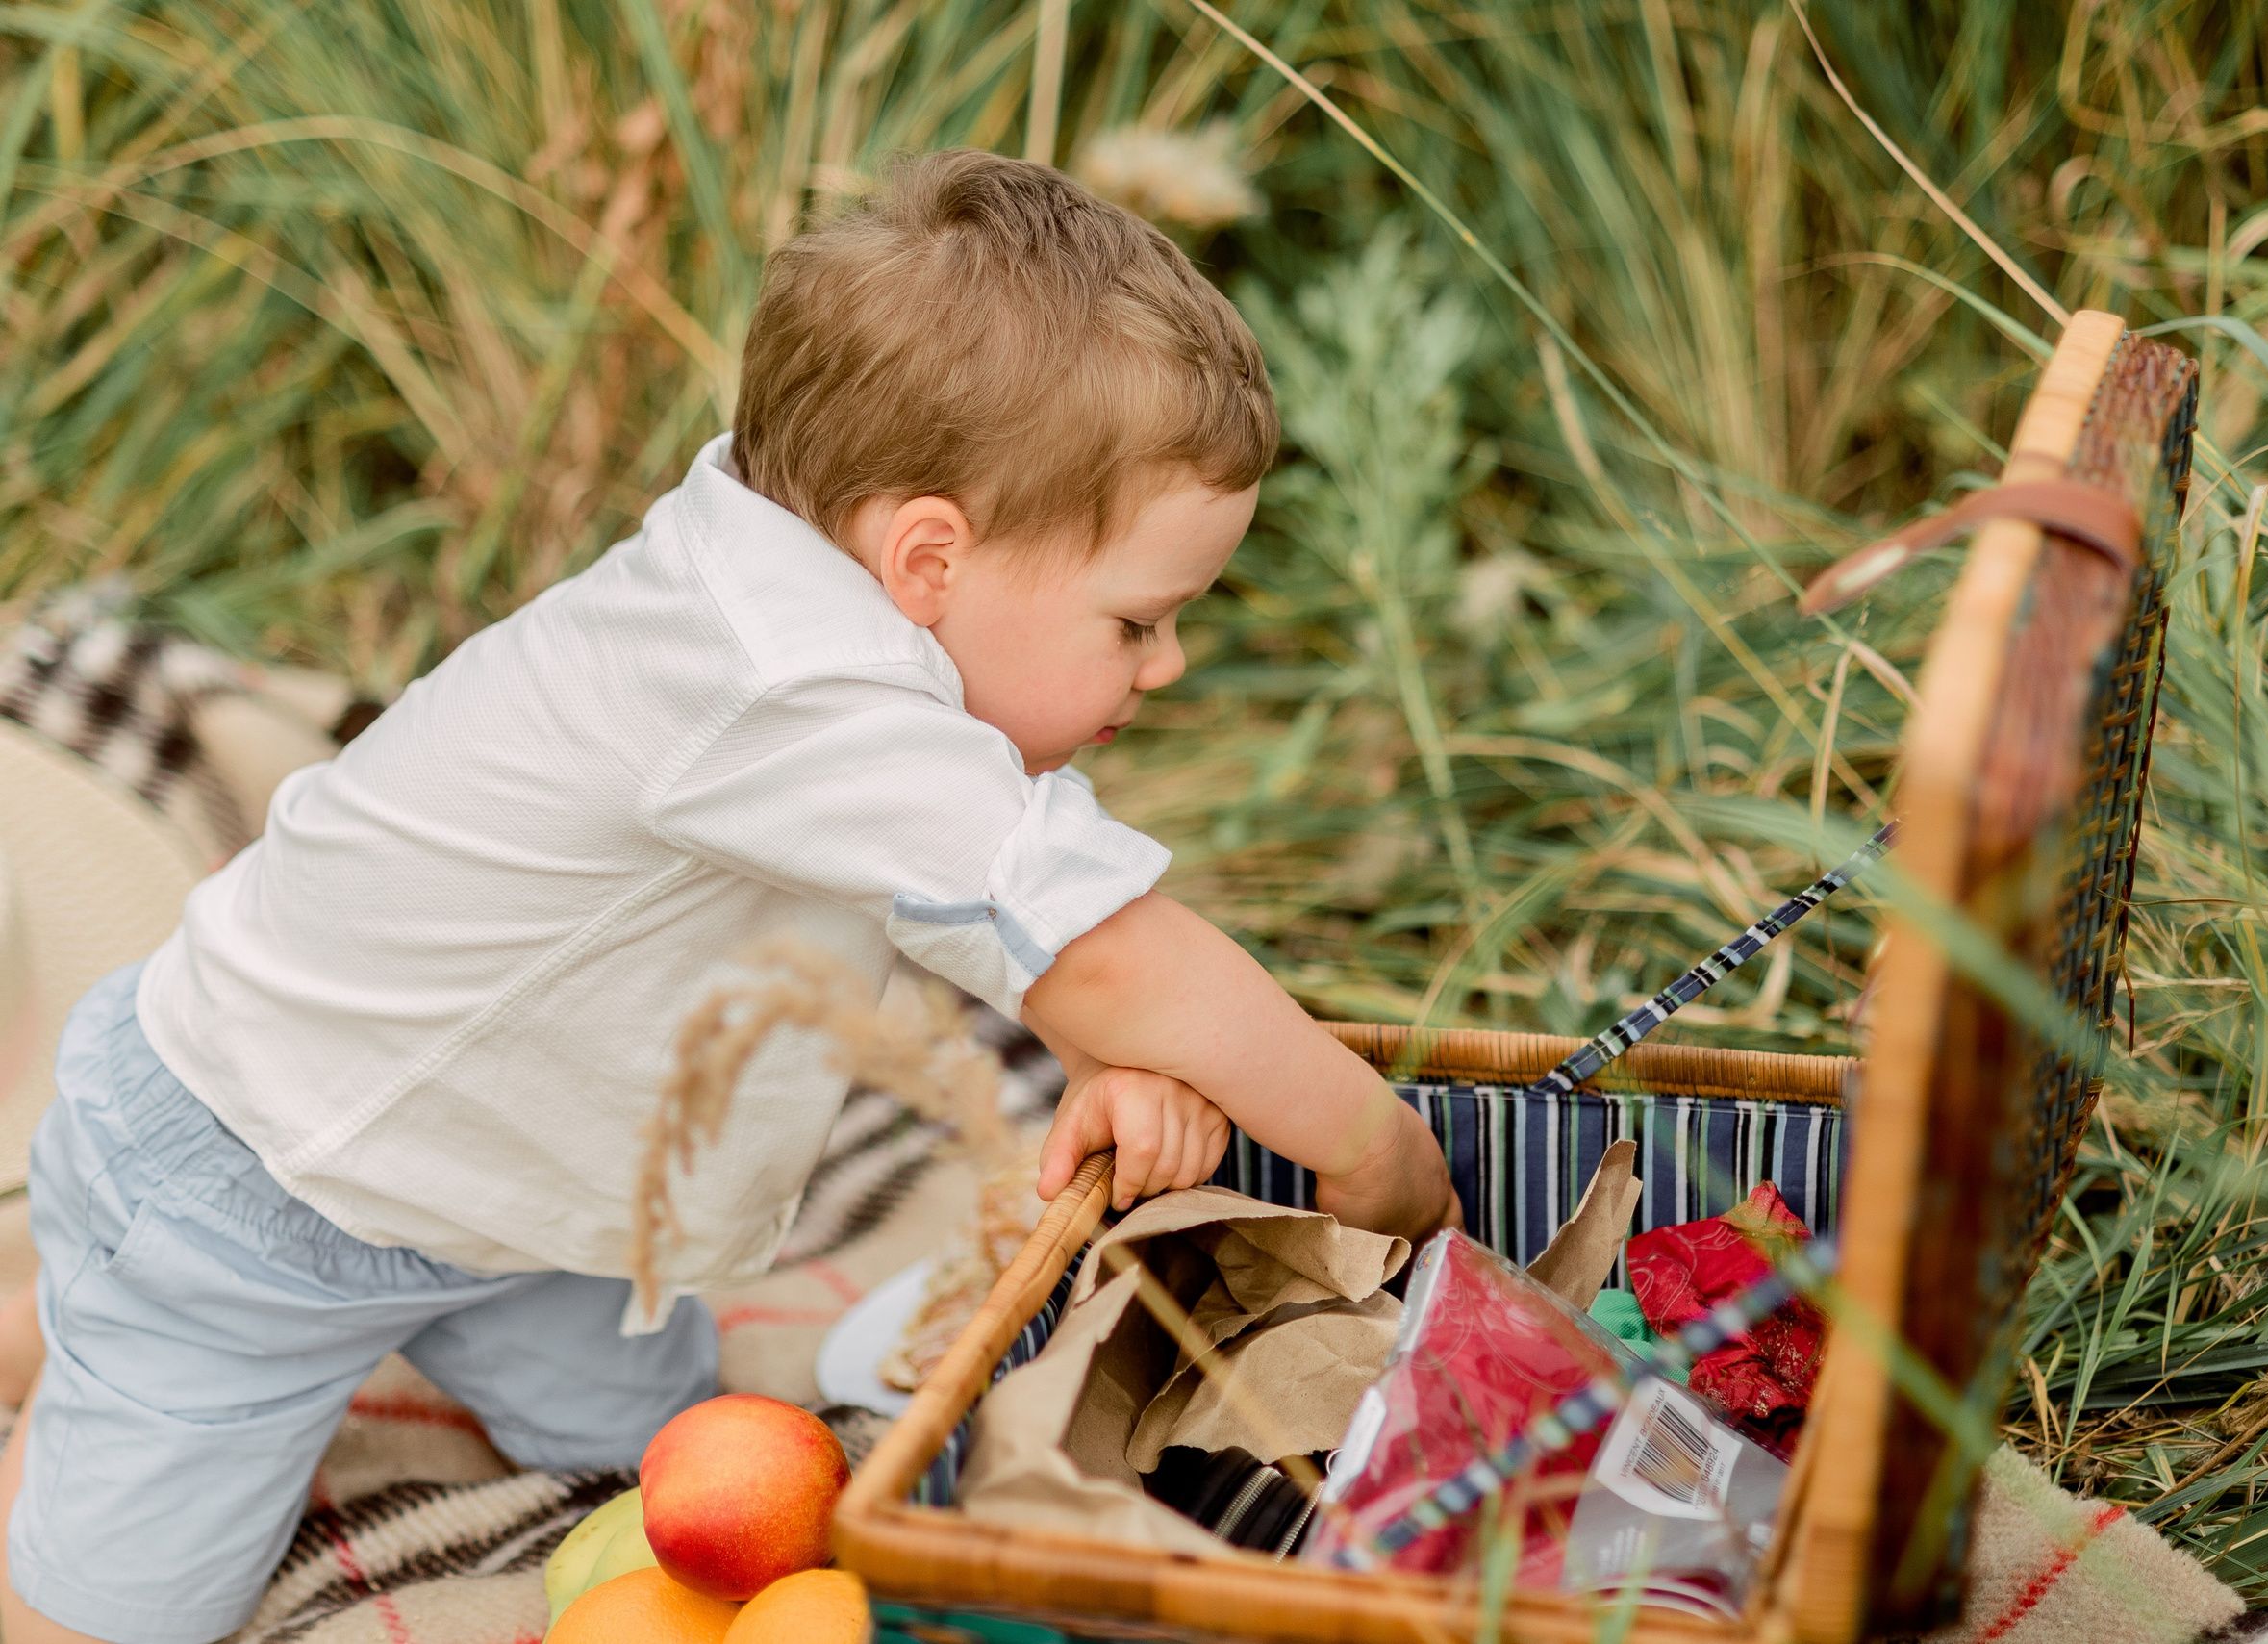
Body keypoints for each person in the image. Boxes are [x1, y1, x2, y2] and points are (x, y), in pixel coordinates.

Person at [0, 149, 1458, 1644]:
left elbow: (1029, 922)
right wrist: (1372, 1143)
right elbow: (1100, 946)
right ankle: (92, 1326)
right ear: (929, 555)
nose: (1166, 666)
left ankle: (80, 1311)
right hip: (256, 1183)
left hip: (507, 1193)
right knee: (117, 1609)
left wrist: (1107, 1058)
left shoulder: (804, 586)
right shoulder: (787, 683)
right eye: (1139, 619)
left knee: (655, 1440)